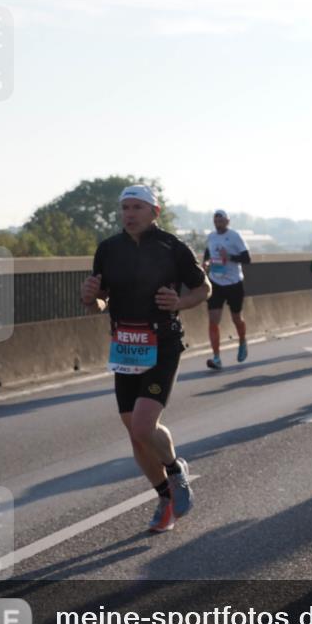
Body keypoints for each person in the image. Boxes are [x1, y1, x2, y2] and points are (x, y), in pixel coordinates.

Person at [81, 185, 210, 533]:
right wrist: (92, 300)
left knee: (143, 425)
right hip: (125, 345)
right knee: (135, 434)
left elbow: (204, 288)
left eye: (137, 207)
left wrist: (180, 303)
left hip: (163, 343)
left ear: (155, 211)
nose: (129, 214)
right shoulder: (108, 249)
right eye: (124, 207)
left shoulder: (172, 247)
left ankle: (175, 470)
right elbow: (101, 301)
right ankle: (165, 497)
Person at [203, 210, 251, 370]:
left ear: (227, 221)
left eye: (221, 220)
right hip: (216, 282)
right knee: (213, 320)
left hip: (234, 283)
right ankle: (216, 358)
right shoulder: (211, 237)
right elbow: (207, 255)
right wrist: (206, 264)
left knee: (237, 318)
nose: (218, 223)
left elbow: (247, 259)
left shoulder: (235, 236)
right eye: (216, 221)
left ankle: (242, 341)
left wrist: (229, 257)